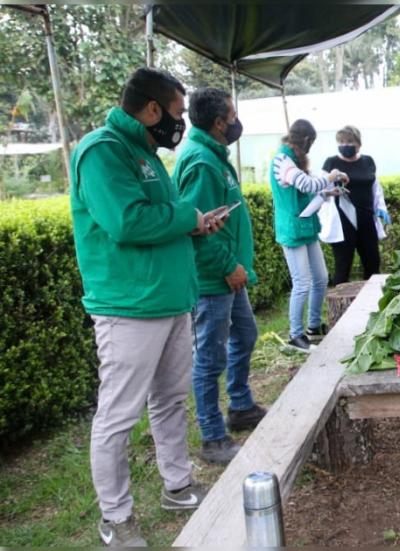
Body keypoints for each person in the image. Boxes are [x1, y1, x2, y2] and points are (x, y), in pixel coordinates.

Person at [70, 67, 220, 546]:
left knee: (171, 400)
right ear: (152, 109)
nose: (180, 124)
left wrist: (194, 225)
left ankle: (176, 485)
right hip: (129, 306)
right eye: (177, 113)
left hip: (171, 299)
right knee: (118, 415)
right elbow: (126, 222)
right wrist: (185, 216)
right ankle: (115, 516)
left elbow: (164, 218)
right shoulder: (102, 151)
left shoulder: (147, 155)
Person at [174, 86, 267, 466]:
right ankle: (213, 437)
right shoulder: (201, 163)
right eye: (231, 115)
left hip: (230, 274)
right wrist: (228, 267)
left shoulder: (213, 156)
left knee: (245, 334)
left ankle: (241, 406)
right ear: (217, 123)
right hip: (215, 278)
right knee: (209, 358)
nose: (235, 122)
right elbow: (197, 227)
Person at [270, 119, 346, 352]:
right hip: (292, 229)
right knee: (302, 283)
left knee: (321, 278)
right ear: (305, 140)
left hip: (306, 226)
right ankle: (295, 335)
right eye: (310, 143)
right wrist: (331, 176)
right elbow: (305, 185)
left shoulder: (294, 159)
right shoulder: (283, 161)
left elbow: (308, 190)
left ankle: (313, 326)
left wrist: (327, 192)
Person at [321, 125, 390, 285]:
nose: (345, 145)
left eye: (349, 141)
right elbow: (322, 188)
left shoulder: (368, 161)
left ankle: (372, 302)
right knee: (343, 266)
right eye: (341, 141)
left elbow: (375, 187)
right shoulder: (332, 162)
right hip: (343, 222)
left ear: (359, 144)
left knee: (372, 263)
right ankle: (340, 307)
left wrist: (381, 208)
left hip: (366, 219)